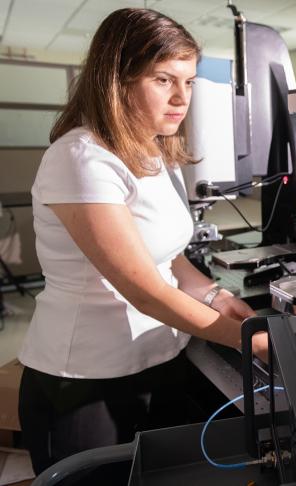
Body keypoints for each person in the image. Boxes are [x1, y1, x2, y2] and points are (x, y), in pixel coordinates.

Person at [17, 8, 268, 475]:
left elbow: (169, 258)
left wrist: (216, 295)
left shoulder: (153, 150)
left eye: (189, 82)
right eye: (163, 79)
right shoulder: (80, 157)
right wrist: (245, 338)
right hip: (87, 383)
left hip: (159, 360)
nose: (181, 98)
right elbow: (144, 289)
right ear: (118, 78)